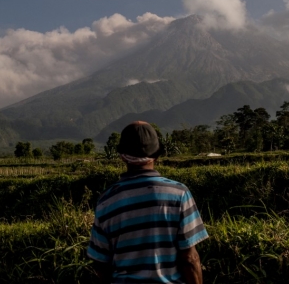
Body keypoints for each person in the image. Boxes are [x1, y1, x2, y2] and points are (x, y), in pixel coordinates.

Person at [88, 121, 208, 284]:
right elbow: (189, 258)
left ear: (122, 156)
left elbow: (101, 264)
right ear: (157, 155)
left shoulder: (106, 201)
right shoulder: (179, 194)